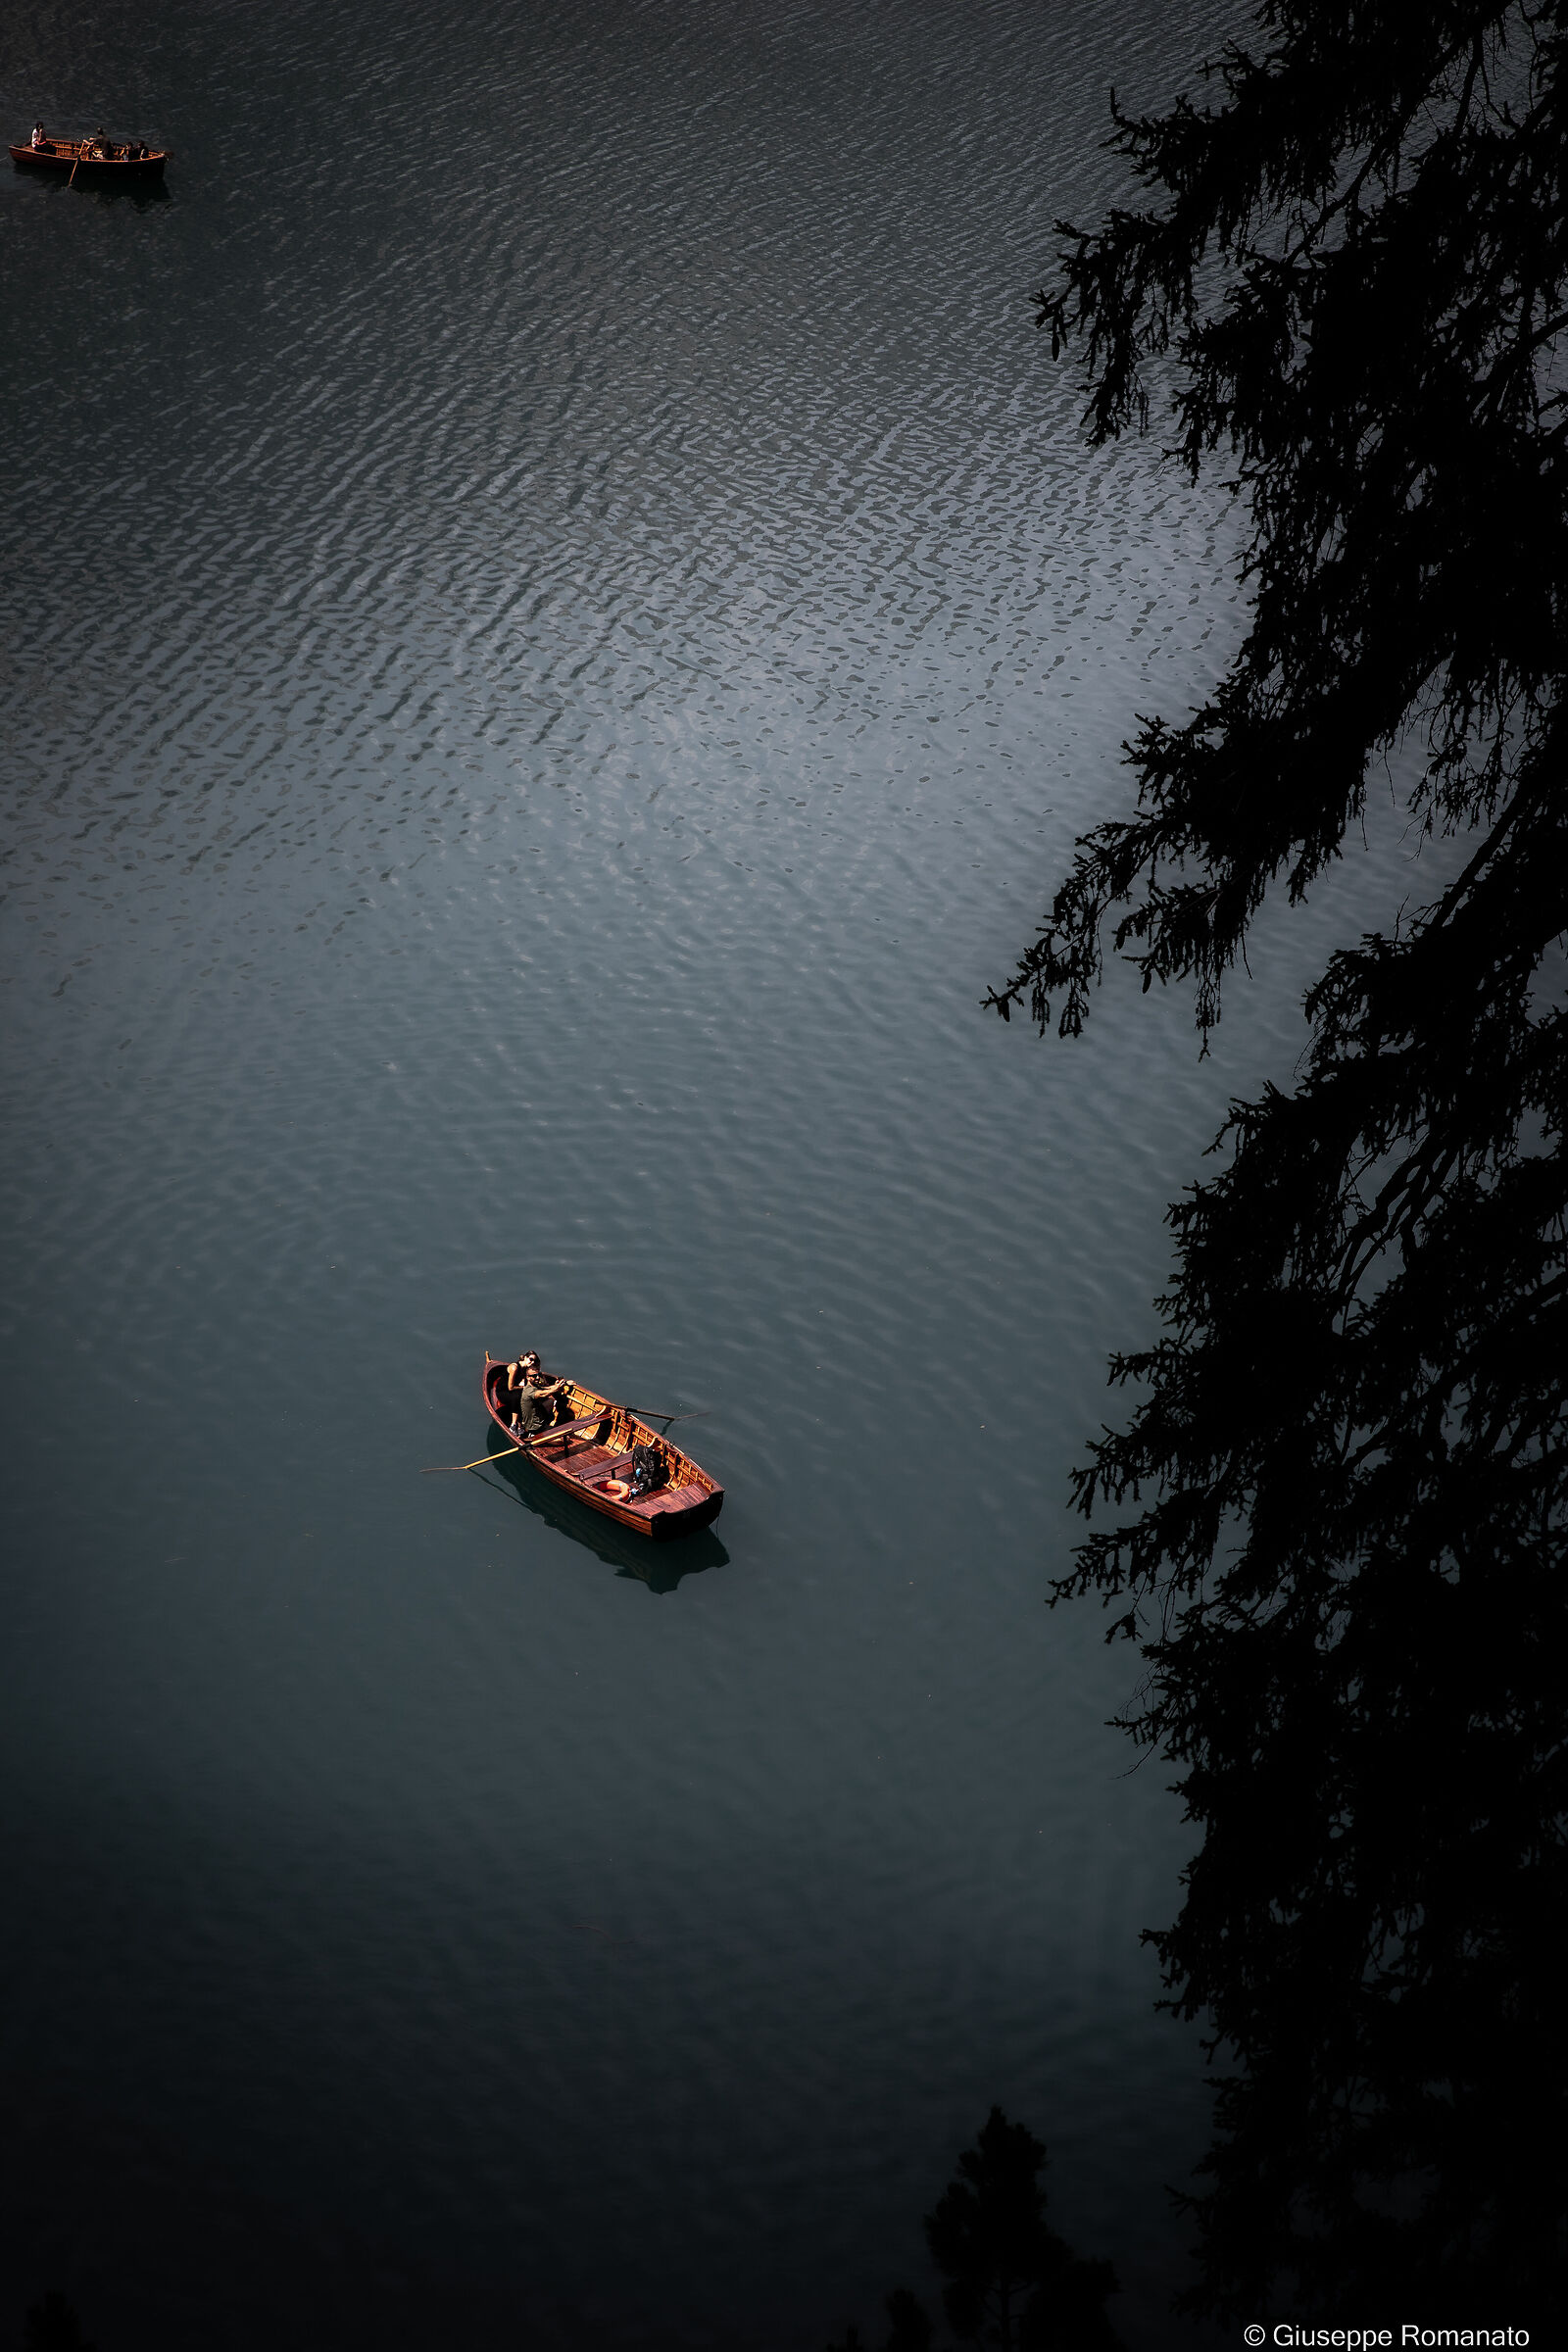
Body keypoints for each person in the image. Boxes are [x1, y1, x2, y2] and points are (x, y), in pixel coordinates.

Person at [504, 1352, 569, 1438]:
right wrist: (557, 1388)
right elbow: (544, 1393)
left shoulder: (535, 1385)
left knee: (551, 1401)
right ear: (528, 1377)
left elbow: (546, 1388)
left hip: (539, 1421)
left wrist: (564, 1383)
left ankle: (543, 1425)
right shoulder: (529, 1391)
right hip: (535, 1427)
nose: (538, 1377)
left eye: (538, 1375)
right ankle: (527, 1431)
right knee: (564, 1439)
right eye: (534, 1376)